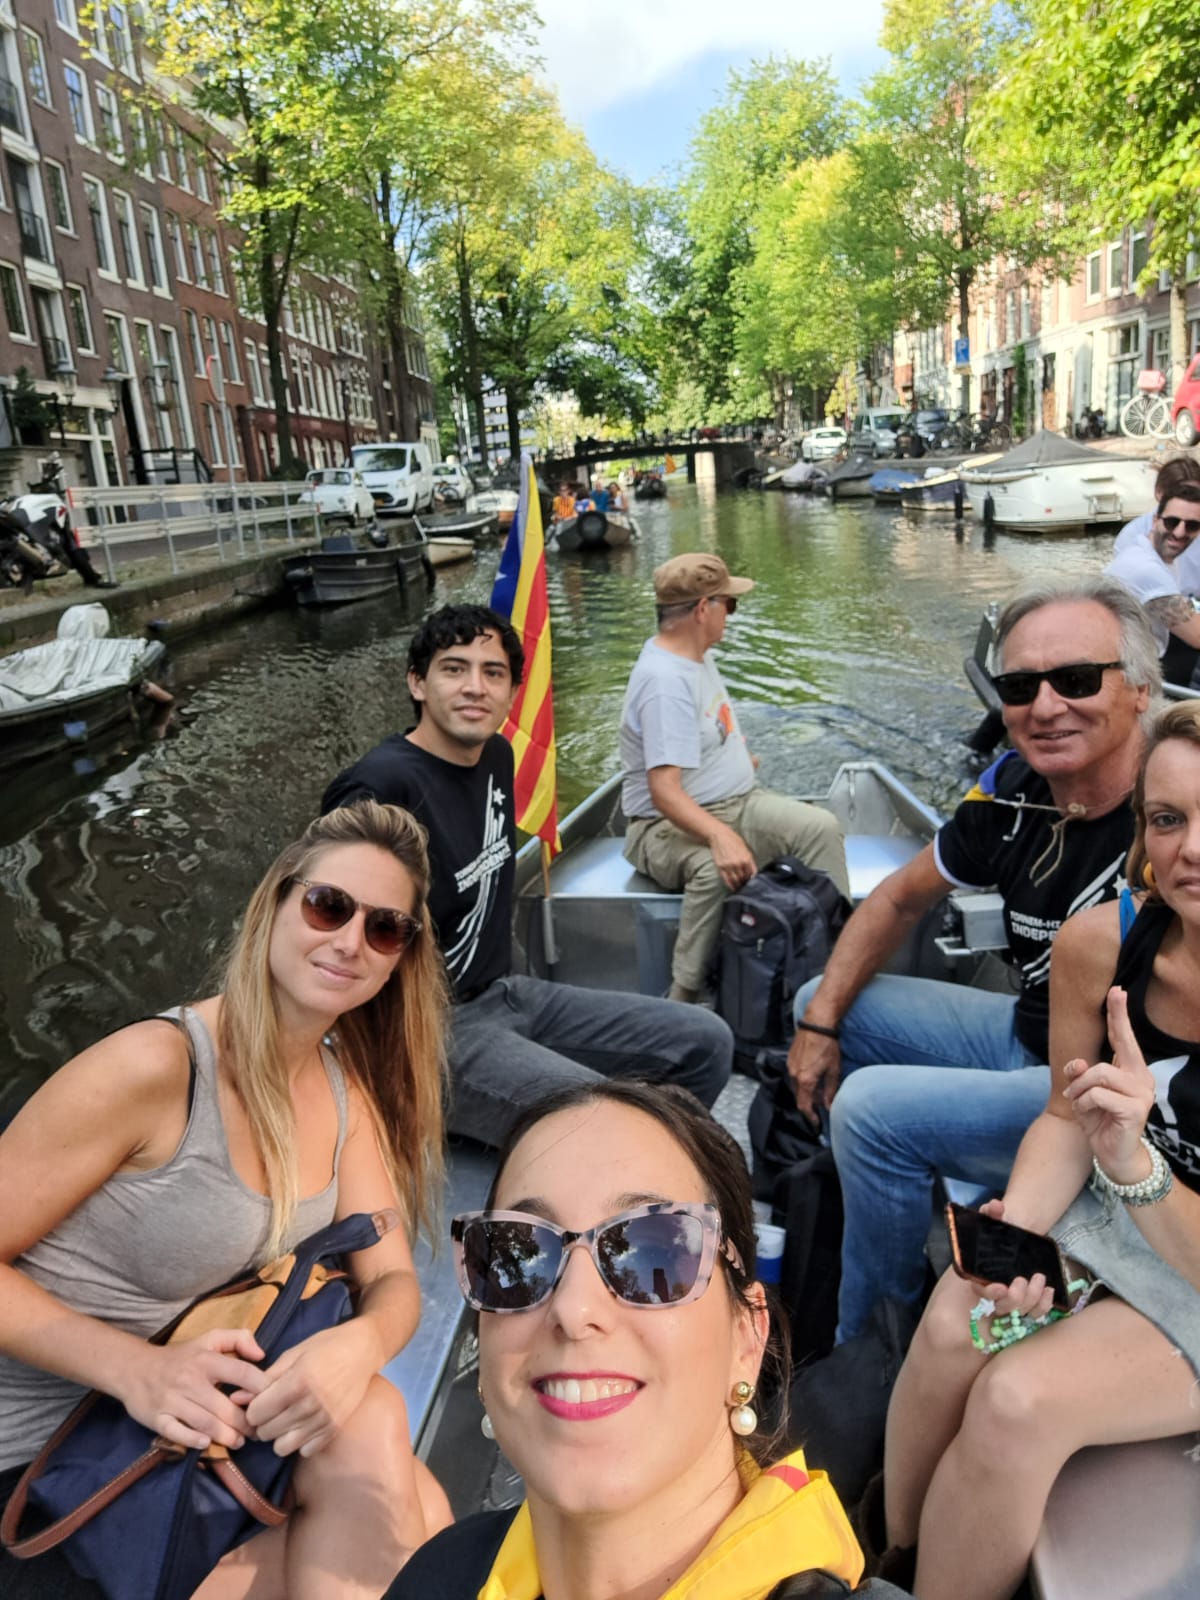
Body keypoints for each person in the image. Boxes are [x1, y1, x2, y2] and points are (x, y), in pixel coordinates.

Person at [0, 802, 452, 1599]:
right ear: (275, 902)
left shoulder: (345, 1093)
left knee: (385, 1435)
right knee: (411, 1509)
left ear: (400, 960)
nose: (351, 941)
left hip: (189, 1437)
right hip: (44, 1472)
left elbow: (392, 1280)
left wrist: (357, 1347)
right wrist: (138, 1371)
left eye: (385, 929)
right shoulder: (156, 1070)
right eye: (329, 906)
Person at [787, 576, 1160, 1341]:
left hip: (1108, 1099)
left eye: (1077, 679)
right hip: (1028, 1034)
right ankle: (889, 1194)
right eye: (1020, 687)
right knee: (818, 1003)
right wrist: (820, 1026)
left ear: (1140, 691)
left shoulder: (1175, 816)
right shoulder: (1012, 791)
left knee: (870, 1112)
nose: (1045, 707)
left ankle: (872, 1342)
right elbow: (898, 899)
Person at [884, 699, 1200, 1600]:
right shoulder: (1102, 943)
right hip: (1122, 1218)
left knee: (1017, 1402)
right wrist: (1017, 1234)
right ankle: (885, 1564)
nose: (1192, 850)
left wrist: (1136, 1166)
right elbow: (1065, 1119)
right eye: (1168, 819)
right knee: (956, 1321)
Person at [385, 1080, 911, 1600]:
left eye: (653, 1253)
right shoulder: (439, 1574)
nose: (574, 1309)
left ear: (748, 1338)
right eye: (520, 1255)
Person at [322, 604, 733, 1146]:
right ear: (417, 683)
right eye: (454, 669)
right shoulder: (379, 788)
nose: (475, 687)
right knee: (607, 1124)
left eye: (493, 673)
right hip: (425, 1036)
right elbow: (326, 931)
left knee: (705, 1041)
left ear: (513, 693)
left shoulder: (496, 755)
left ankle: (633, 1163)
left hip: (505, 993)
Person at [621, 553, 849, 1003]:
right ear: (702, 609)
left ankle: (832, 974)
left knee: (820, 828)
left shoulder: (696, 657)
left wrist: (734, 758)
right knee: (713, 867)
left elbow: (705, 732)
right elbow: (664, 792)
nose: (731, 614)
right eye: (729, 604)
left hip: (737, 801)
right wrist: (721, 836)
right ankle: (685, 996)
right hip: (663, 827)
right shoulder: (665, 682)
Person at [1105, 481, 1200, 683]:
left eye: (1192, 525)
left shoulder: (1147, 551)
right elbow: (1197, 636)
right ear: (1156, 520)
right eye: (1172, 522)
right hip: (1128, 674)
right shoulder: (1146, 569)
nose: (1179, 532)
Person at [1109, 452, 1200, 560]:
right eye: (1181, 494)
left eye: (1195, 495)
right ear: (1159, 493)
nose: (1189, 500)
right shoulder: (1131, 536)